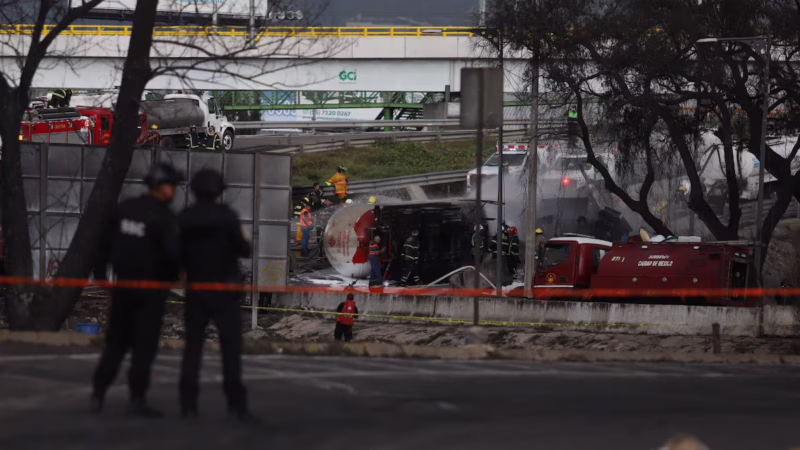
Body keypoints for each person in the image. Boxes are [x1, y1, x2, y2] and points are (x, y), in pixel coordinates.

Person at [91, 162, 183, 417]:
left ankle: (98, 394)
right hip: (150, 292)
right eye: (171, 185)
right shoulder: (164, 217)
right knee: (144, 348)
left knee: (115, 344)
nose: (174, 190)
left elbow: (102, 245)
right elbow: (172, 255)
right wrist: (171, 280)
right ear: (159, 186)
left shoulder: (125, 209)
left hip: (122, 287)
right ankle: (137, 399)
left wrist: (101, 276)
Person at [178, 168, 253, 420]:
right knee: (230, 349)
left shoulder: (185, 217)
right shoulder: (227, 217)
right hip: (224, 290)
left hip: (196, 290)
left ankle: (188, 405)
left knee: (193, 349)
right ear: (219, 191)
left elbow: (174, 253)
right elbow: (244, 250)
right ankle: (236, 405)